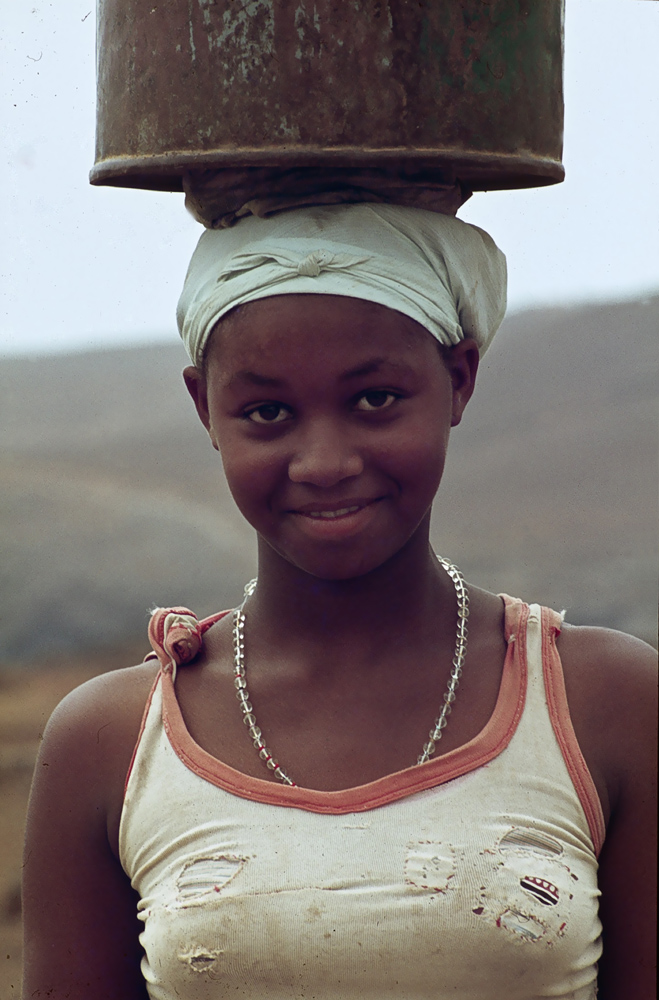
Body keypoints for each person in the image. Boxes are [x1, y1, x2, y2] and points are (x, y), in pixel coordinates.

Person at [22, 204, 657, 1000]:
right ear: (203, 408)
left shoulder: (602, 701)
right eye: (267, 412)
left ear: (458, 379)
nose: (322, 462)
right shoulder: (111, 741)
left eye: (374, 400)